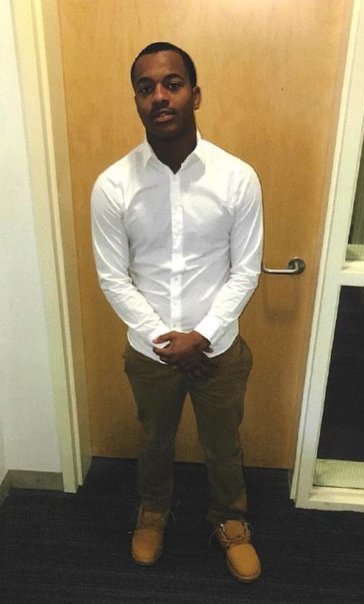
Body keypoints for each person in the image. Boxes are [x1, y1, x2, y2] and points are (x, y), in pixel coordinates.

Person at [91, 41, 263, 583]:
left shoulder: (238, 178)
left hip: (220, 351)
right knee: (153, 440)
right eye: (146, 88)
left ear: (195, 94)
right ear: (136, 101)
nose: (159, 96)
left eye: (172, 83)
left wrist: (203, 335)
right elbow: (113, 277)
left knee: (222, 443)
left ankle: (230, 521)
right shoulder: (113, 185)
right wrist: (165, 337)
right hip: (150, 353)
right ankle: (152, 513)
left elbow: (246, 269)